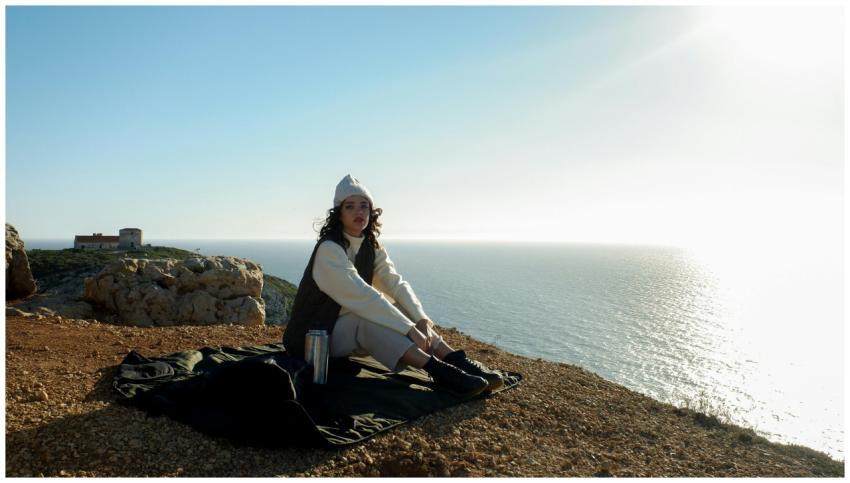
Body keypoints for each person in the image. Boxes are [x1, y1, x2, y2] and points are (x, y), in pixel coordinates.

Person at [282, 174, 503, 398]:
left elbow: (395, 283)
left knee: (399, 308)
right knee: (365, 319)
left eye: (364, 206)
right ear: (339, 213)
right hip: (312, 339)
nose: (359, 212)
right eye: (350, 207)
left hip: (343, 333)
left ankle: (454, 359)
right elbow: (364, 296)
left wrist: (421, 321)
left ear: (371, 211)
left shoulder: (370, 246)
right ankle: (438, 371)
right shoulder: (329, 250)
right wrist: (408, 329)